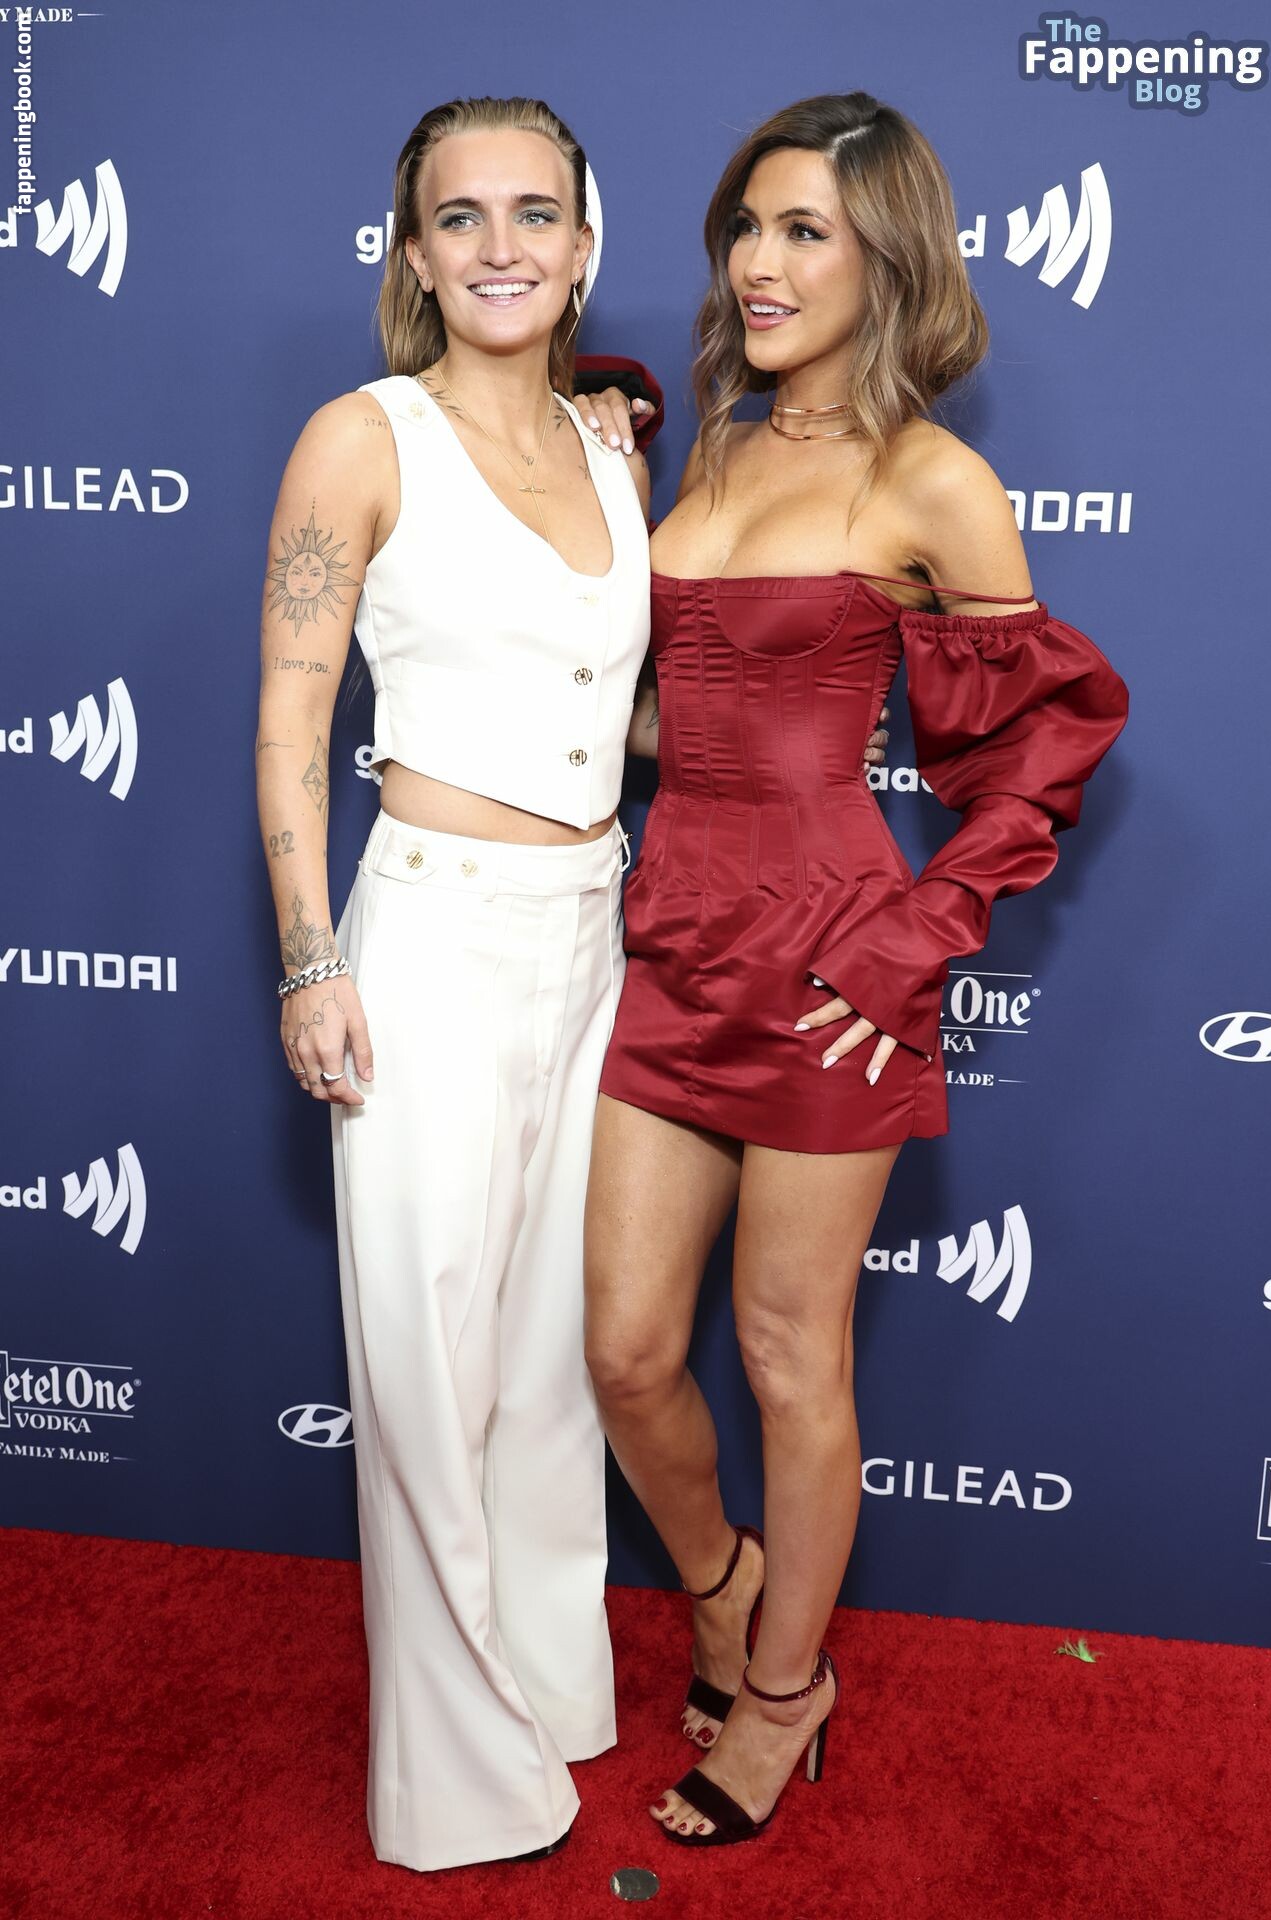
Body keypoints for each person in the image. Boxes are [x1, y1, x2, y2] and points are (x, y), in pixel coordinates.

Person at [256, 87, 896, 1874]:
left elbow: (620, 715)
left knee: (555, 1371)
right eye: (461, 217)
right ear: (413, 253)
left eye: (535, 213)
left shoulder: (623, 453)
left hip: (599, 937)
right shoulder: (359, 439)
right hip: (429, 934)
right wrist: (310, 958)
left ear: (586, 245)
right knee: (425, 1365)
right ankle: (458, 1778)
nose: (502, 246)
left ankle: (551, 1692)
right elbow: (292, 723)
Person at [577, 90, 1129, 1848]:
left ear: (886, 256)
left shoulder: (928, 478)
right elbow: (677, 718)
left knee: (788, 1354)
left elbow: (1041, 744)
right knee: (626, 1352)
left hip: (832, 968)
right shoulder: (715, 450)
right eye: (748, 225)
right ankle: (726, 1583)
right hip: (673, 943)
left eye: (804, 230)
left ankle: (785, 1691)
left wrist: (911, 937)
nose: (759, 260)